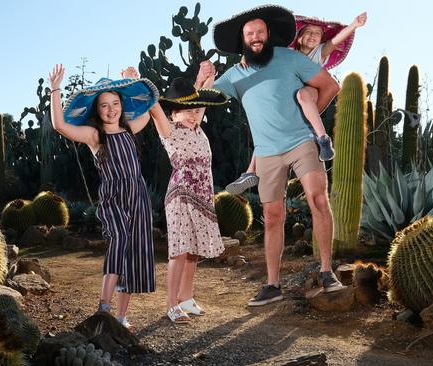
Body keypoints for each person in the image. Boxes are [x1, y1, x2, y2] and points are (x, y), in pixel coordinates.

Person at [196, 4, 345, 306]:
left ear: (268, 35)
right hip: (266, 152)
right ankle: (272, 285)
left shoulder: (289, 58)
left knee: (317, 197)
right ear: (242, 40)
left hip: (302, 140)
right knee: (273, 216)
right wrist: (202, 79)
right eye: (250, 33)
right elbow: (204, 100)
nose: (256, 37)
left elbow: (330, 85)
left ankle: (327, 271)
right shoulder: (234, 75)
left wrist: (310, 120)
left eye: (260, 32)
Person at [49, 64, 157, 330]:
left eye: (116, 103)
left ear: (121, 104)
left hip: (138, 195)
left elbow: (151, 106)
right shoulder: (94, 135)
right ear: (96, 110)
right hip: (114, 196)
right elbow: (60, 125)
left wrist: (133, 81)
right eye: (105, 105)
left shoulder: (131, 127)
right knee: (119, 242)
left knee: (133, 253)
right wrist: (55, 89)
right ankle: (103, 308)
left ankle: (120, 317)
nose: (111, 110)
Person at [225, 11, 367, 196]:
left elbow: (335, 41)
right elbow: (262, 50)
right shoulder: (287, 54)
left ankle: (323, 139)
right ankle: (250, 172)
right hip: (289, 101)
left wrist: (354, 24)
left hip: (311, 91)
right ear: (299, 38)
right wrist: (246, 56)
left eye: (317, 34)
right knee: (268, 131)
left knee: (302, 95)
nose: (313, 36)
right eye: (308, 32)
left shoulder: (319, 52)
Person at [148, 77, 230, 324]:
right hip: (181, 196)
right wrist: (138, 82)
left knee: (194, 250)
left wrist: (207, 76)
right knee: (180, 251)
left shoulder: (197, 127)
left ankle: (186, 297)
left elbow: (200, 96)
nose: (193, 115)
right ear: (174, 115)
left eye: (196, 111)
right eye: (187, 112)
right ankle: (172, 304)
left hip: (202, 195)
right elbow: (155, 109)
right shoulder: (170, 131)